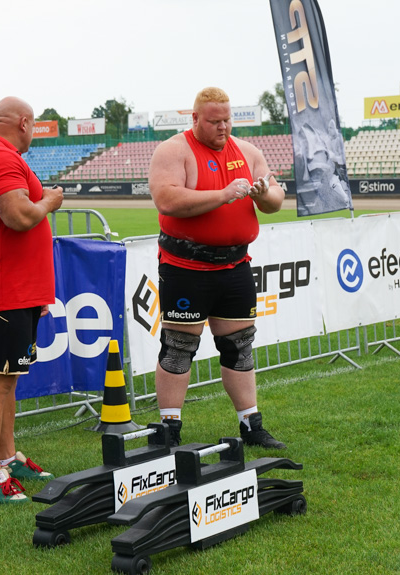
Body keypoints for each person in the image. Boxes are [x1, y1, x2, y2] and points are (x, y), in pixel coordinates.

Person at [148, 87, 286, 449]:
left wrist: (262, 194)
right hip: (186, 265)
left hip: (235, 265)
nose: (223, 127)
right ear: (195, 119)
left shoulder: (248, 151)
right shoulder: (174, 150)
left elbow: (276, 200)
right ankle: (169, 429)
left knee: (239, 346)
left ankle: (251, 424)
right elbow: (166, 199)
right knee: (179, 346)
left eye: (227, 120)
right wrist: (224, 194)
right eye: (214, 121)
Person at [0, 96, 64, 503]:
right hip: (4, 287)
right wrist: (50, 202)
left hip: (17, 288)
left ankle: (7, 457)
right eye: (34, 127)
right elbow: (19, 216)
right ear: (23, 122)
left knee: (9, 378)